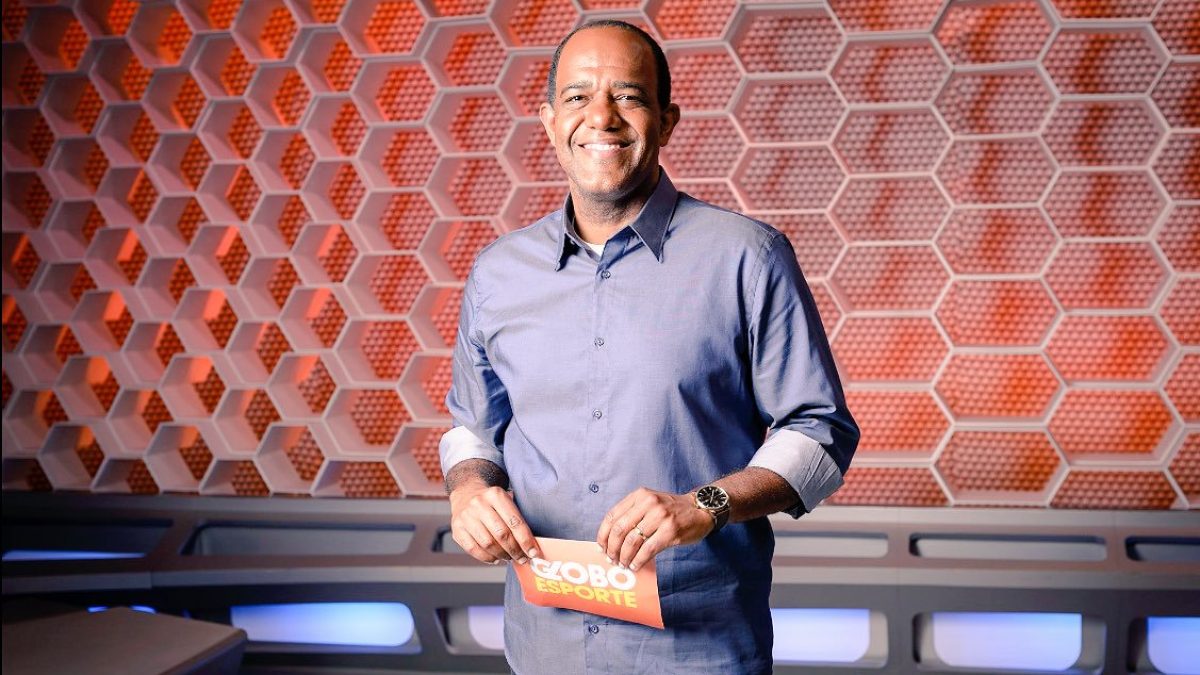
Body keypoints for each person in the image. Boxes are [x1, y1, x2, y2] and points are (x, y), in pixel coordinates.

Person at [438, 20, 859, 674]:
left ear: (667, 121)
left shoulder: (749, 258)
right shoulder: (498, 273)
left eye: (628, 96)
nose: (601, 117)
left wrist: (704, 505)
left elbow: (820, 433)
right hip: (544, 647)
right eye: (577, 97)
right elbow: (474, 427)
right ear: (549, 121)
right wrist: (468, 490)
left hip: (700, 650)